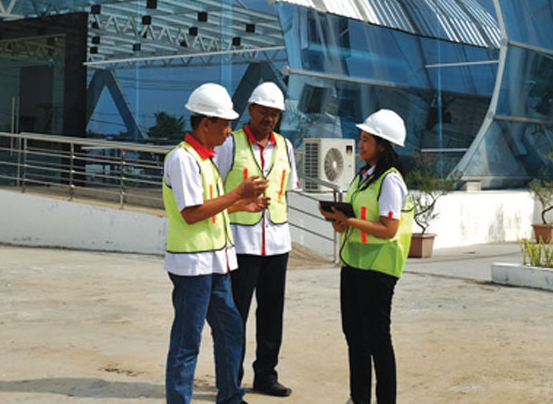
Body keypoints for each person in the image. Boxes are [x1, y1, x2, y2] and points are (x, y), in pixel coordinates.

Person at [163, 82, 270, 404]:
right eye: (224, 124)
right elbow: (192, 214)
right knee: (187, 341)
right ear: (205, 123)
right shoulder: (183, 160)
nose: (228, 132)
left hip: (216, 264)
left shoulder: (205, 159)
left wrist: (240, 205)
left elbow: (210, 207)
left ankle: (230, 397)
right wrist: (238, 193)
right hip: (193, 265)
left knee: (231, 330)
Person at [318, 109, 413, 404]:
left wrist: (349, 221)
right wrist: (339, 221)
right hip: (355, 265)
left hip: (378, 269)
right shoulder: (363, 177)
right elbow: (358, 218)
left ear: (382, 145)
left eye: (366, 140)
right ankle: (358, 398)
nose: (360, 145)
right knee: (355, 337)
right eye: (361, 139)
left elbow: (389, 229)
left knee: (378, 340)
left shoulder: (390, 181)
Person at [214, 82, 299, 398]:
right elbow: (216, 192)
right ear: (250, 110)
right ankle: (230, 379)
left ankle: (265, 375)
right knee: (235, 315)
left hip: (277, 243)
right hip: (241, 243)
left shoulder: (286, 147)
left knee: (272, 313)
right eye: (264, 111)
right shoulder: (230, 145)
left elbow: (287, 189)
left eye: (275, 114)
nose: (269, 118)